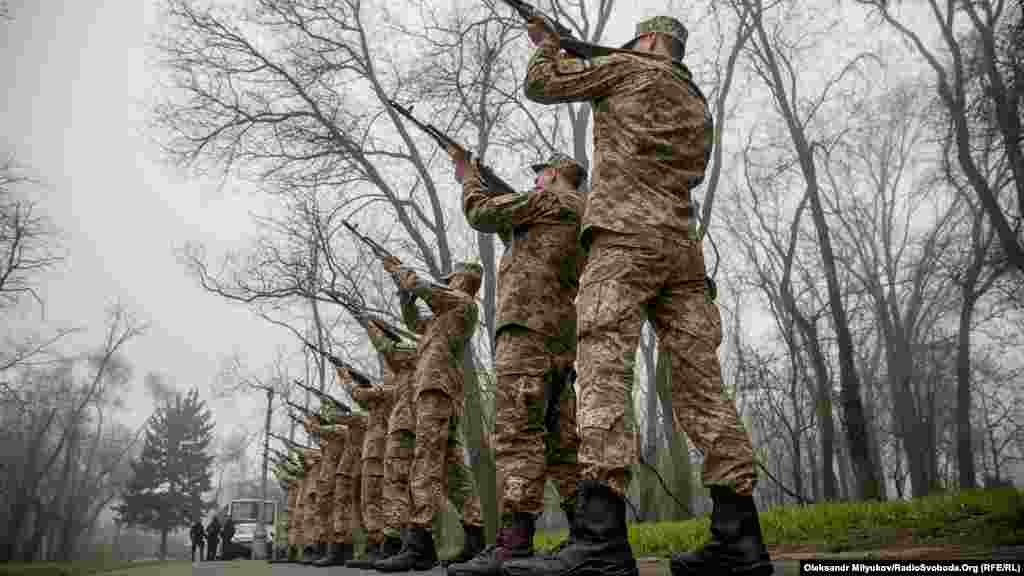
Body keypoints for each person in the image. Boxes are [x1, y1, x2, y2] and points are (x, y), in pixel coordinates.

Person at [503, 14, 773, 576]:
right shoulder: (698, 104)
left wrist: (547, 45)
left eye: (634, 43)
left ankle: (601, 540)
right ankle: (739, 537)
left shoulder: (627, 69)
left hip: (624, 242)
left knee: (602, 371)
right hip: (682, 250)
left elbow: (542, 84)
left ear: (649, 42)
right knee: (703, 390)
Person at [448, 151, 588, 576]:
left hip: (526, 332)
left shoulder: (550, 201)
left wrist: (470, 177)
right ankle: (588, 536)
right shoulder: (580, 212)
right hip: (560, 339)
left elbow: (480, 213)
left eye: (541, 174)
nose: (537, 181)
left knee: (516, 434)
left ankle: (514, 544)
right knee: (562, 442)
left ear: (555, 174)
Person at [374, 260, 487, 572]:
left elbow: (421, 286)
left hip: (437, 392)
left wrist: (401, 273)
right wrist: (404, 297)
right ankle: (476, 539)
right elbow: (413, 323)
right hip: (435, 393)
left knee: (425, 463)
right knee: (453, 472)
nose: (447, 283)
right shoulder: (442, 317)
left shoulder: (461, 303)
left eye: (451, 279)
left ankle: (420, 544)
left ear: (462, 281)